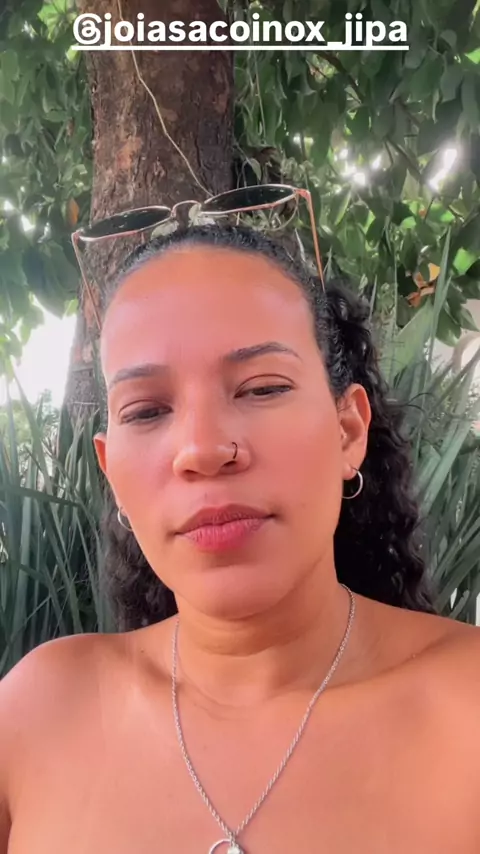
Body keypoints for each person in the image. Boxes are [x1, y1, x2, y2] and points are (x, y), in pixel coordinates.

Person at [1, 223, 480, 854]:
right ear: (111, 471)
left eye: (262, 388)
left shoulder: (467, 707)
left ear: (348, 431)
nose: (203, 449)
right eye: (147, 410)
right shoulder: (35, 714)